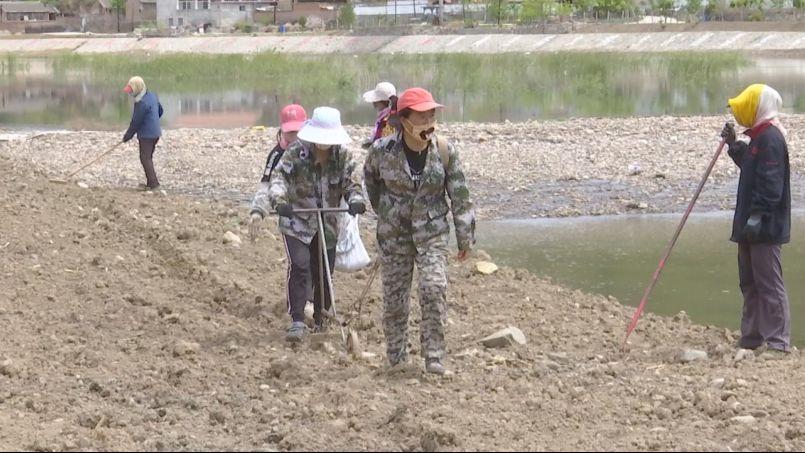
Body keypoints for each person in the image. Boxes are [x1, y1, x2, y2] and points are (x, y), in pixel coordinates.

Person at [364, 87, 476, 375]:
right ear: (404, 119)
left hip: (432, 234)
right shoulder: (382, 152)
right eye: (421, 115)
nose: (428, 121)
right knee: (395, 302)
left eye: (432, 114)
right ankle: (397, 359)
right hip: (395, 236)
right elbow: (372, 186)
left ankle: (434, 357)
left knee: (433, 288)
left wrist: (465, 236)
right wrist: (387, 214)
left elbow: (460, 195)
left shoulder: (444, 151)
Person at [250, 107, 366, 342]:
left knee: (324, 270)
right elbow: (279, 179)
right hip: (297, 220)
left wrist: (355, 200)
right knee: (300, 266)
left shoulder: (343, 156)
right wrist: (280, 201)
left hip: (329, 220)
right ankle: (297, 320)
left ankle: (322, 318)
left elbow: (352, 184)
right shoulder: (295, 153)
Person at [721, 83, 791, 356]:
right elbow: (752, 166)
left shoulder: (771, 138)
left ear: (758, 108)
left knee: (769, 284)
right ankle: (751, 338)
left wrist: (758, 216)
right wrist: (734, 145)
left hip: (764, 227)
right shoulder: (758, 138)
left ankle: (778, 343)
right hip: (749, 226)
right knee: (749, 283)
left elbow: (771, 184)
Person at [122, 76, 164, 191]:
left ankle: (154, 185)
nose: (130, 93)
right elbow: (160, 111)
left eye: (131, 90)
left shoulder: (141, 103)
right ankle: (150, 183)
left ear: (137, 88)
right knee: (148, 157)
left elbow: (135, 122)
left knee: (145, 158)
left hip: (147, 135)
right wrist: (154, 121)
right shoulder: (152, 96)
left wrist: (127, 136)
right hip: (156, 133)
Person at [260, 104, 307, 184]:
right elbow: (265, 182)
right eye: (290, 132)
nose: (294, 136)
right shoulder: (276, 154)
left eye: (296, 131)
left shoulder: (313, 149)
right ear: (282, 129)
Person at [361, 81, 397, 148]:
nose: (373, 103)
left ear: (379, 102)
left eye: (375, 101)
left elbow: (385, 141)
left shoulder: (387, 120)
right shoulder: (391, 115)